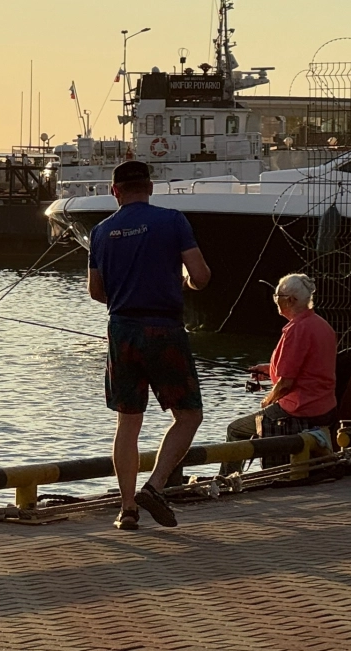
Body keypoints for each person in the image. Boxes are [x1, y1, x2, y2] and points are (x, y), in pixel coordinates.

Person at [87, 160, 211, 530]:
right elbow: (201, 277)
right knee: (188, 414)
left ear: (115, 192)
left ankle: (127, 509)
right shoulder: (173, 221)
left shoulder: (101, 231)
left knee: (128, 421)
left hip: (122, 329)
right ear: (150, 187)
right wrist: (184, 283)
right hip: (164, 328)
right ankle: (155, 487)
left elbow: (96, 291)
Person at [224, 273, 337, 471]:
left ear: (291, 300)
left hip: (300, 407)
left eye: (277, 296)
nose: (275, 300)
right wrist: (269, 370)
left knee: (235, 430)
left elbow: (286, 383)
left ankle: (228, 480)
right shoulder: (321, 325)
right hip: (324, 404)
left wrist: (268, 400)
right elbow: (308, 368)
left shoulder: (296, 330)